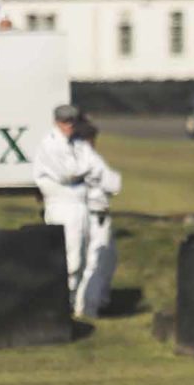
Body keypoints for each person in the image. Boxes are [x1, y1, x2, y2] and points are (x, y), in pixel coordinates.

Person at [32, 104, 98, 315]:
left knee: (83, 256)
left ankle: (76, 304)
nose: (69, 126)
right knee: (70, 258)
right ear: (56, 122)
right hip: (61, 205)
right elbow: (68, 174)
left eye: (72, 121)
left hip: (78, 204)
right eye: (65, 122)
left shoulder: (76, 144)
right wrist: (83, 170)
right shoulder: (50, 145)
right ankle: (62, 304)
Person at [73, 119, 122, 319]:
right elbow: (114, 185)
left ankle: (94, 302)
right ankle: (87, 309)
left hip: (86, 215)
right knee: (94, 264)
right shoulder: (90, 159)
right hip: (95, 216)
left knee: (105, 259)